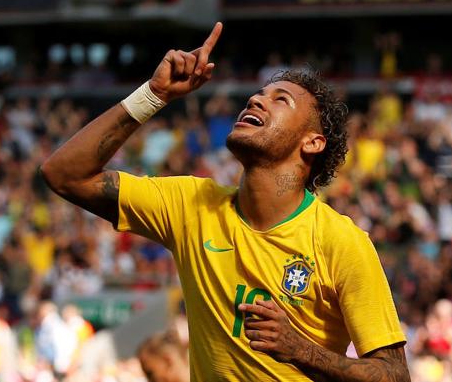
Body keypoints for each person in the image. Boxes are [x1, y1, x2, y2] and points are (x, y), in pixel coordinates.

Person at [41, 22, 410, 381]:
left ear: (312, 142)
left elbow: (394, 375)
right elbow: (64, 175)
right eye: (258, 95)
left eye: (279, 99)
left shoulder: (341, 242)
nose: (256, 99)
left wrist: (301, 349)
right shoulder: (191, 204)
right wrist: (153, 95)